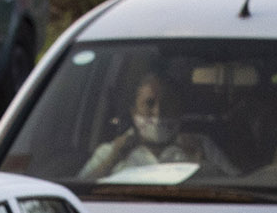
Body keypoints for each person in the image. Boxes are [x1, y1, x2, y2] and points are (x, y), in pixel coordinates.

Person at [77, 74, 238, 181]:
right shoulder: (110, 151)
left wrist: (198, 160)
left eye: (168, 104)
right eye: (149, 103)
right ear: (134, 111)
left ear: (180, 110)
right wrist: (112, 159)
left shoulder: (202, 145)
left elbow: (237, 188)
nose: (158, 112)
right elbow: (78, 192)